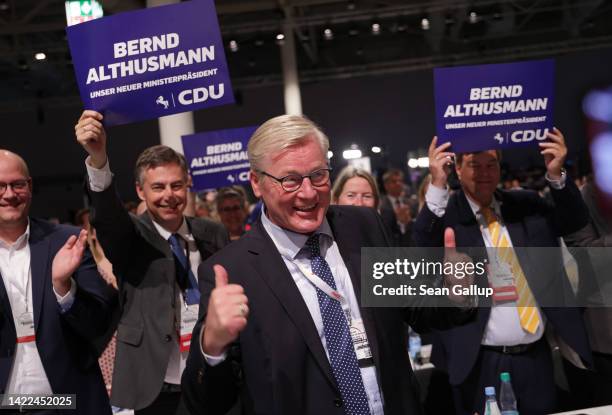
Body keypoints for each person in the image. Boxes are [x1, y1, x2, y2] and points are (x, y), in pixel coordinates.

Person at [181, 114, 476, 415]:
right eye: (290, 180)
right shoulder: (232, 271)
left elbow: (418, 310)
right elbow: (205, 404)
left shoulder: (364, 227)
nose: (308, 193)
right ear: (256, 183)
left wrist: (454, 290)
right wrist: (213, 347)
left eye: (318, 175)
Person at [413, 130, 593, 415]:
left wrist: (556, 173)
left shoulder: (526, 205)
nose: (484, 173)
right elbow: (419, 253)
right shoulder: (445, 218)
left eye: (491, 164)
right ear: (457, 168)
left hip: (537, 360)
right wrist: (436, 182)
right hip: (479, 363)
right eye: (475, 165)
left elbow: (574, 223)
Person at [75, 110, 229, 414]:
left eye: (176, 185)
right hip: (157, 384)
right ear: (140, 191)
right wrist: (98, 158)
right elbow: (107, 216)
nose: (169, 195)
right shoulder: (131, 235)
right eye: (158, 187)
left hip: (210, 373)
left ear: (188, 184)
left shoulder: (213, 233)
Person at [0, 149, 115, 414]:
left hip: (65, 403)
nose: (9, 194)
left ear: (29, 187)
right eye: (0, 186)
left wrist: (63, 287)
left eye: (17, 184)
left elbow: (98, 325)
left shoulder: (68, 241)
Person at [379, 169, 414, 246]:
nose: (398, 184)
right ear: (386, 185)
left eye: (400, 181)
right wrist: (398, 220)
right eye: (394, 181)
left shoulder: (412, 203)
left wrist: (408, 222)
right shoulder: (380, 205)